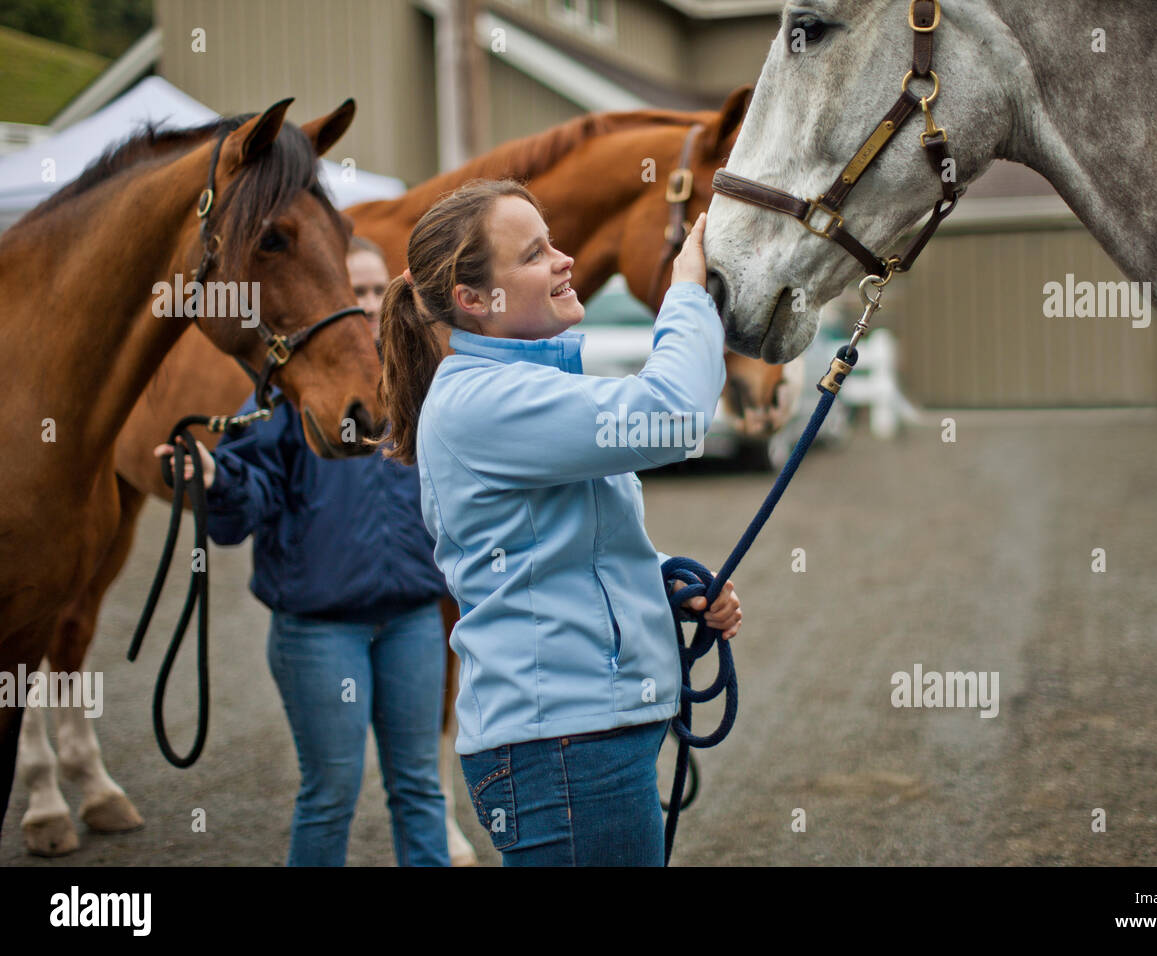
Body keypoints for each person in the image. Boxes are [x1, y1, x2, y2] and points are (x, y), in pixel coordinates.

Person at [376, 178, 743, 866]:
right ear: (473, 299)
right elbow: (673, 414)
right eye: (534, 253)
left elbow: (572, 547)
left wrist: (664, 583)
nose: (564, 259)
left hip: (577, 740)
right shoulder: (484, 401)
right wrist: (688, 292)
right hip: (564, 748)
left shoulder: (527, 391)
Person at [153, 236, 452, 866]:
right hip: (319, 630)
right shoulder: (291, 391)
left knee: (421, 787)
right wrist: (217, 478)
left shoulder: (424, 387)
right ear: (335, 300)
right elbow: (250, 493)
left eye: (378, 292)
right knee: (331, 792)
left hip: (413, 623)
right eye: (355, 292)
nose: (368, 305)